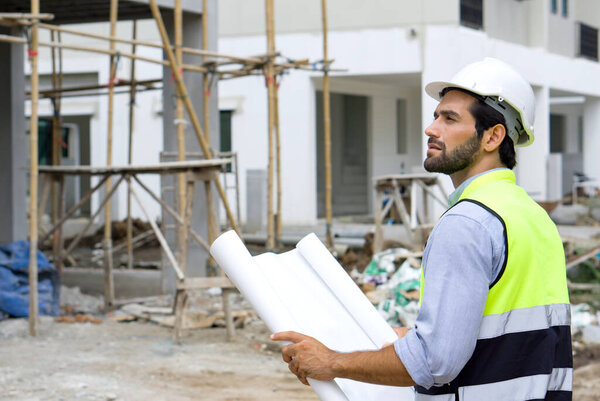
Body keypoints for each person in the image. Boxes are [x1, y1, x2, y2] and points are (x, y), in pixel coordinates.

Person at [272, 58, 573, 400]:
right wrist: (407, 337)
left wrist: (332, 362)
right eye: (436, 116)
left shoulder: (467, 222)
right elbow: (510, 337)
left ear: (493, 136)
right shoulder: (534, 217)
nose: (432, 129)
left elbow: (435, 362)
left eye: (450, 119)